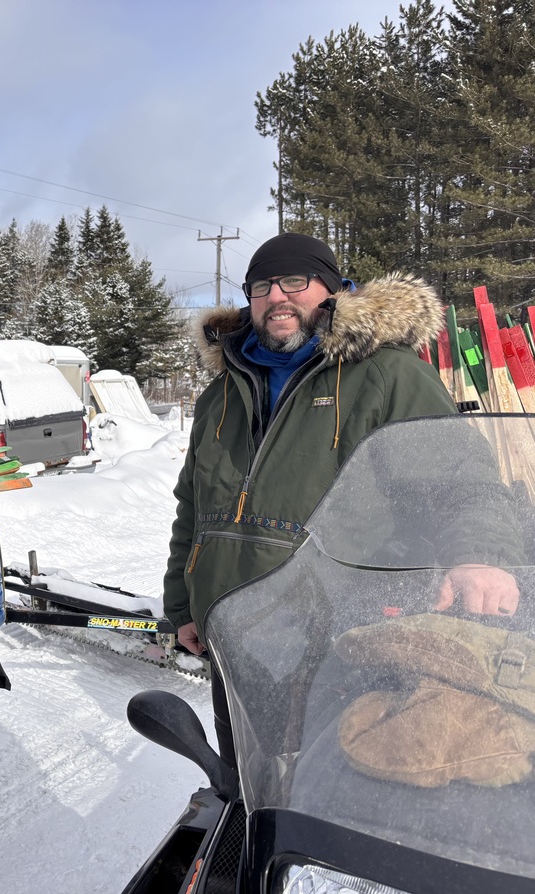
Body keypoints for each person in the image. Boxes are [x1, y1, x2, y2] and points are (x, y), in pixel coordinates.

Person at [162, 232, 519, 765]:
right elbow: (193, 508)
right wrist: (183, 604)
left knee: (328, 788)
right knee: (247, 780)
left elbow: (462, 482)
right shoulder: (222, 393)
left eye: (294, 281)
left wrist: (477, 556)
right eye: (261, 285)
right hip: (236, 632)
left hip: (339, 640)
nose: (277, 296)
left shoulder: (386, 375)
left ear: (332, 290)